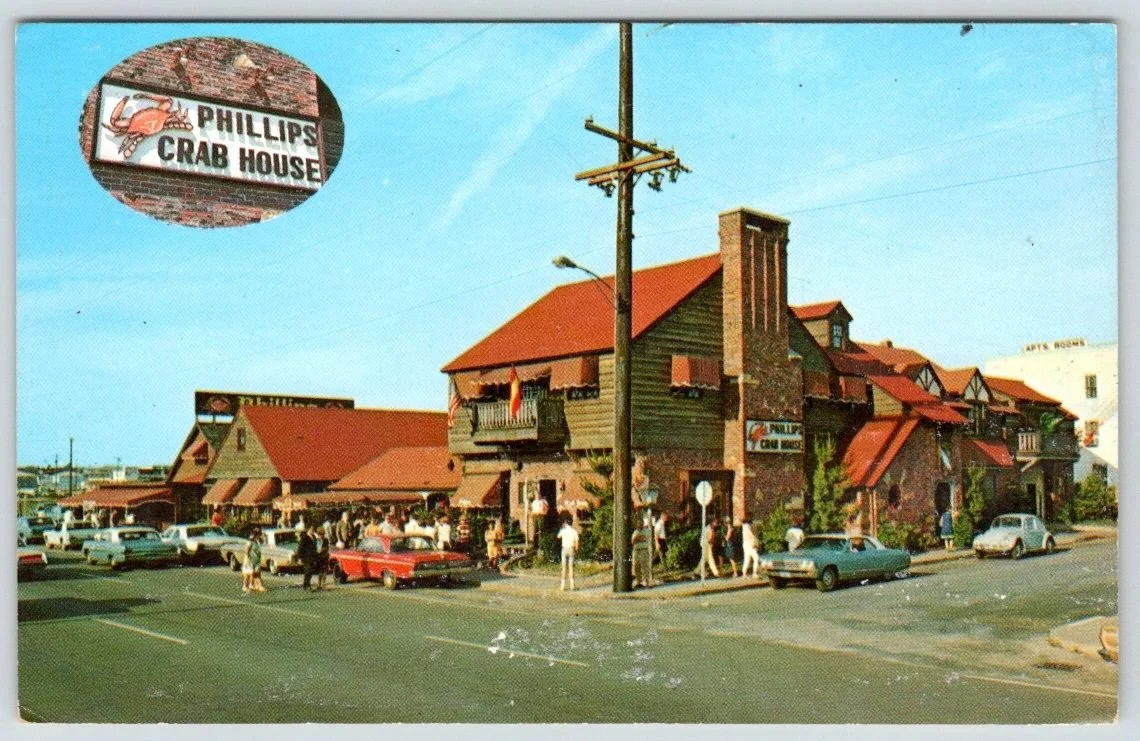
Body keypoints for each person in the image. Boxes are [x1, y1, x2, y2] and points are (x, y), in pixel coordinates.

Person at [557, 515, 580, 591]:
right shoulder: (574, 531)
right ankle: (572, 585)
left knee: (564, 567)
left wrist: (562, 528)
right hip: (571, 549)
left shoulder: (563, 530)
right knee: (571, 567)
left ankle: (562, 586)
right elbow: (577, 543)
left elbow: (558, 536)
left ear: (565, 523)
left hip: (564, 549)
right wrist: (576, 549)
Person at [631, 513, 654, 588]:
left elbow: (643, 538)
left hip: (644, 550)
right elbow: (633, 541)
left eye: (641, 523)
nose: (639, 525)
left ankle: (647, 582)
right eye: (638, 523)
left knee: (645, 566)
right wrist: (637, 538)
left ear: (643, 523)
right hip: (636, 550)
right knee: (636, 566)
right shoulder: (635, 532)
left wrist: (637, 538)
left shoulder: (647, 531)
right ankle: (639, 581)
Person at [243, 528, 267, 593]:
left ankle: (257, 586)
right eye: (259, 534)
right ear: (256, 534)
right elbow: (247, 551)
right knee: (248, 574)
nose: (260, 535)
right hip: (250, 560)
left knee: (257, 573)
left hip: (256, 560)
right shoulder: (250, 541)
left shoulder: (258, 541)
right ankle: (245, 586)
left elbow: (262, 544)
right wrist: (248, 560)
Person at [297, 526, 317, 590]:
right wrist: (299, 558)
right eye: (312, 529)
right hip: (306, 557)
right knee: (308, 571)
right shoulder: (304, 537)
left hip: (312, 557)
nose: (313, 531)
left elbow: (314, 547)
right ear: (308, 530)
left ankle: (307, 584)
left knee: (310, 571)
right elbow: (300, 548)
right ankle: (306, 585)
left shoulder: (314, 537)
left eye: (314, 529)